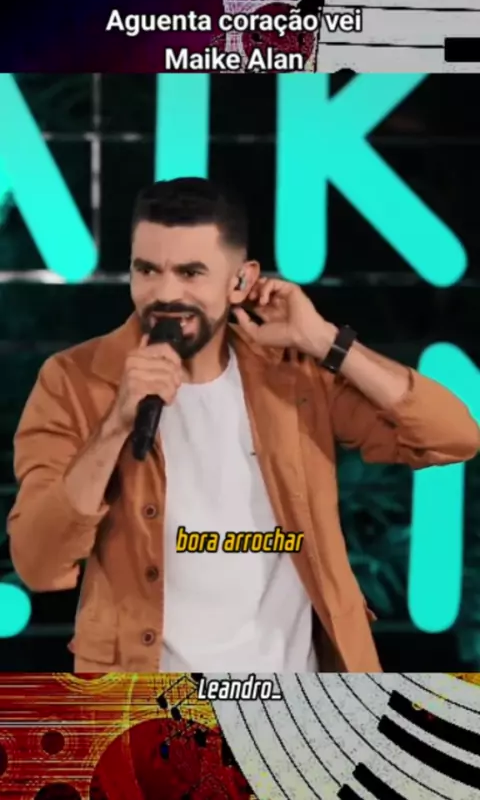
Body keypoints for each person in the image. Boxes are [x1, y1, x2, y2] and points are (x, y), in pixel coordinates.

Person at [7, 177, 479, 674]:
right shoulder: (75, 380)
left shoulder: (292, 375)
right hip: (147, 707)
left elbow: (452, 436)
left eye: (191, 273)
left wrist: (325, 341)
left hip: (291, 705)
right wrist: (115, 425)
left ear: (240, 281)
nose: (165, 293)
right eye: (147, 270)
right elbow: (38, 563)